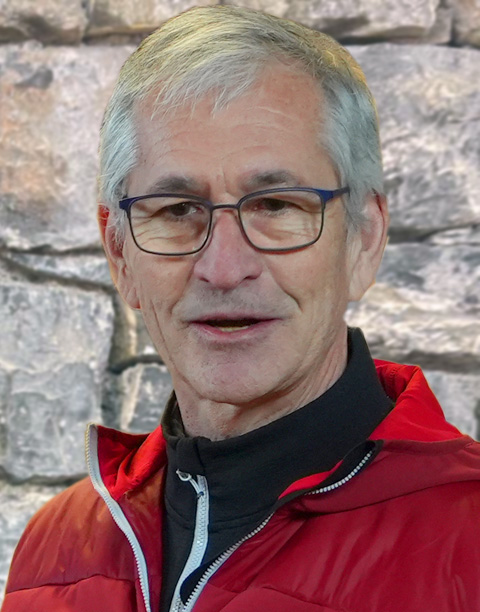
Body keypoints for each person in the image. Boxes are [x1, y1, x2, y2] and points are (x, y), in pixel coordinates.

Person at [2, 5, 480, 612]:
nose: (224, 268)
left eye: (276, 205)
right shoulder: (55, 549)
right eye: (176, 210)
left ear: (364, 239)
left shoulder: (468, 543)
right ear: (119, 254)